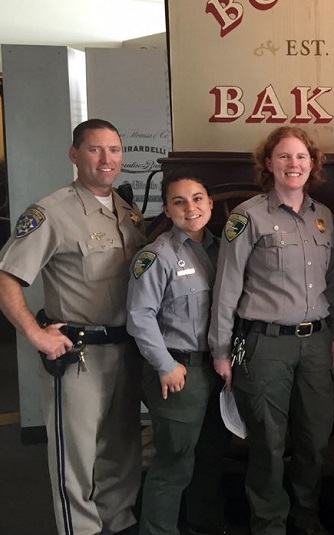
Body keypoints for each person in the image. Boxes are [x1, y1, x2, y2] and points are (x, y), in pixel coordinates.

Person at [0, 119, 145, 535]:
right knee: (75, 458)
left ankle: (118, 525)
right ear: (75, 154)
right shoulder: (52, 212)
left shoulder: (127, 212)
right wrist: (35, 332)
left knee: (122, 450)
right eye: (95, 149)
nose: (107, 159)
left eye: (114, 150)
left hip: (125, 350)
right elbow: (8, 275)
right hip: (78, 355)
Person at [209, 126, 334, 535]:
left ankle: (306, 518)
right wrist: (219, 349)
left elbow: (332, 282)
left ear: (312, 164)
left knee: (315, 441)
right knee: (267, 444)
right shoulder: (247, 216)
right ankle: (269, 524)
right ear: (268, 164)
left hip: (317, 344)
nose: (293, 165)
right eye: (284, 157)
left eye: (301, 157)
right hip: (265, 346)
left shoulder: (323, 217)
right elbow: (227, 286)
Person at [127, 175, 231, 535]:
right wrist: (165, 365)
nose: (191, 208)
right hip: (179, 372)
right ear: (168, 210)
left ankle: (205, 525)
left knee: (210, 458)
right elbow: (140, 316)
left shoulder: (224, 251)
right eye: (180, 202)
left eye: (198, 198)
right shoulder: (158, 256)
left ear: (211, 204)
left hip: (217, 373)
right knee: (174, 464)